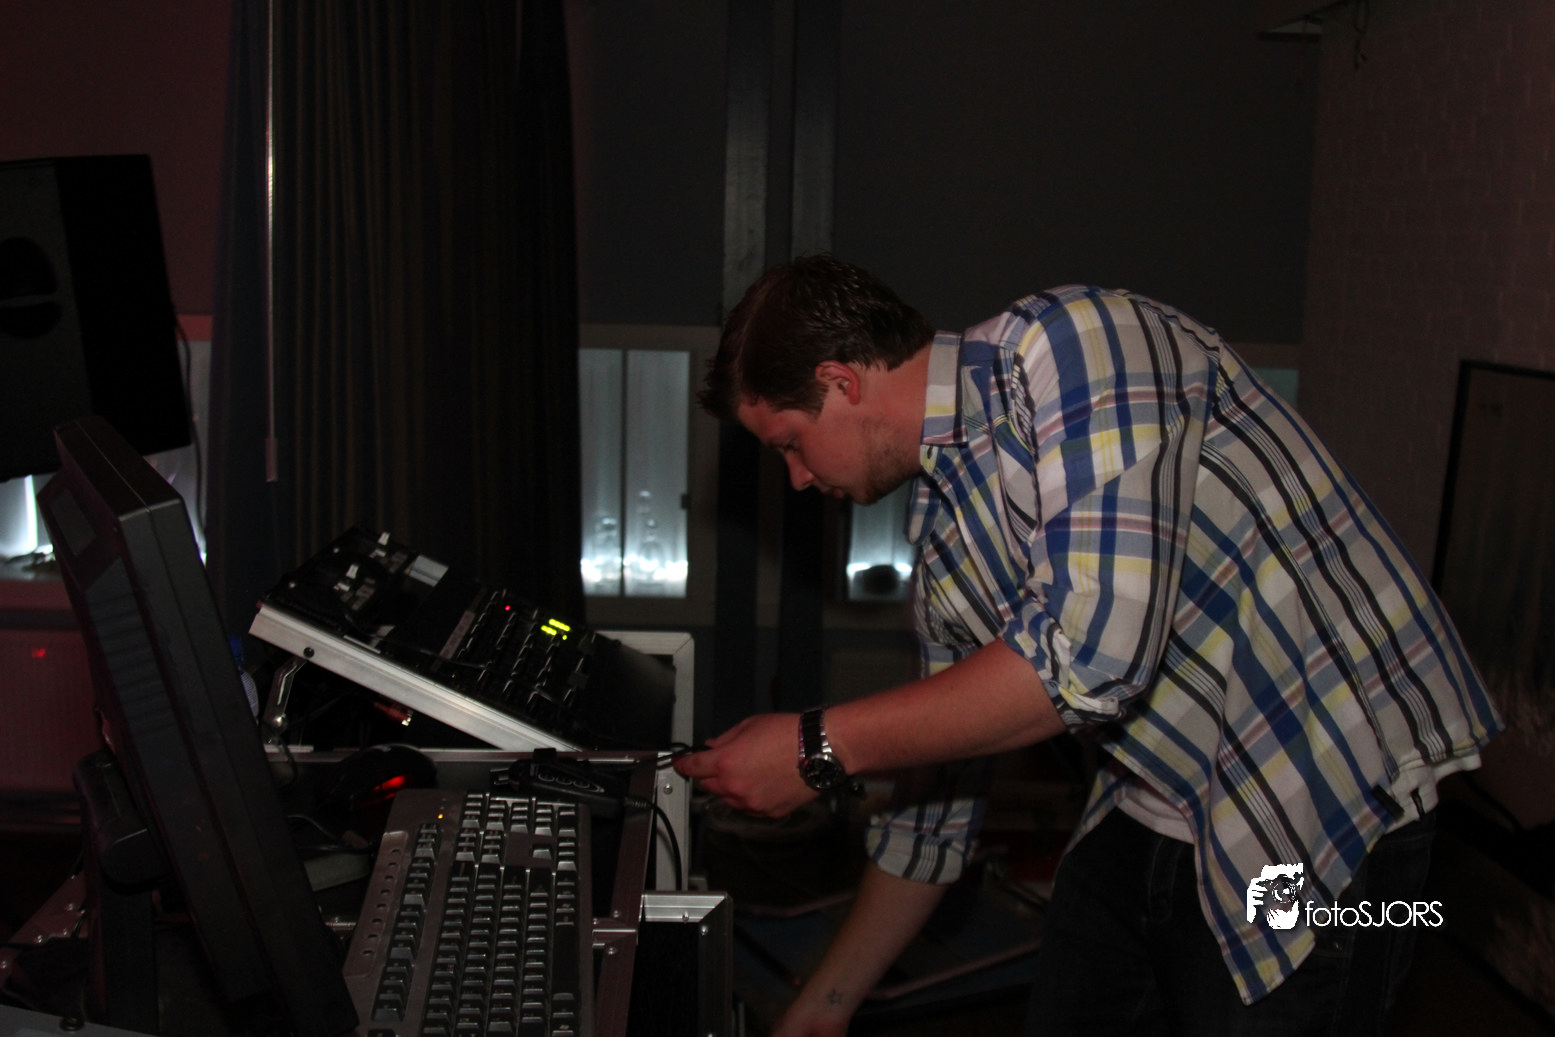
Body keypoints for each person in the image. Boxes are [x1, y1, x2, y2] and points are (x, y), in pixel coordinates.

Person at [674, 254, 1502, 1036]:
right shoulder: (947, 541)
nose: (797, 478)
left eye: (788, 443)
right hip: (1155, 798)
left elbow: (1088, 661)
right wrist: (824, 1006)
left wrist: (817, 746)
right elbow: (935, 804)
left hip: (1317, 802)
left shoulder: (1073, 344)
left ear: (840, 381)